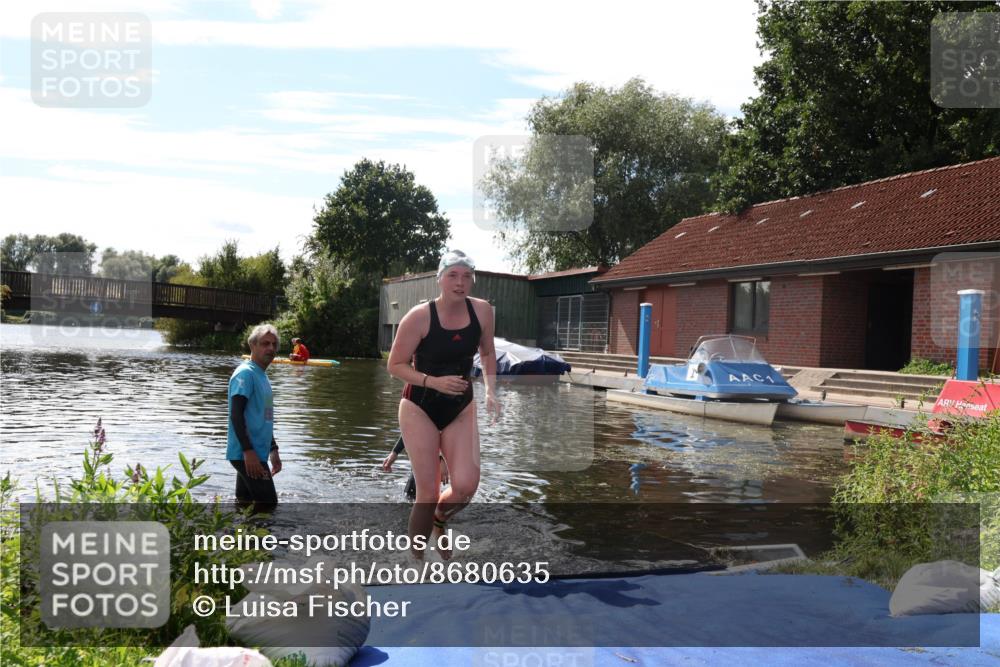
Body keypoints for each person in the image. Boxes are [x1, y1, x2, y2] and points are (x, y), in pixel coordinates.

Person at [387, 250, 501, 560]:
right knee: (427, 492)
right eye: (453, 275)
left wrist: (491, 390)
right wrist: (433, 381)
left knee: (465, 486)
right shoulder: (420, 316)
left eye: (467, 276)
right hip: (419, 405)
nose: (460, 282)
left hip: (460, 406)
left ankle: (440, 518)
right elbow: (395, 365)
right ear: (440, 279)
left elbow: (488, 353)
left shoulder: (483, 312)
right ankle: (416, 562)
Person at [228, 323, 283, 508]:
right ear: (252, 346)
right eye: (265, 343)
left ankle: (239, 536)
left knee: (245, 505)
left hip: (255, 452)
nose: (270, 348)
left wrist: (273, 449)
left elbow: (264, 417)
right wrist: (248, 451)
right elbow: (236, 414)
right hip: (247, 453)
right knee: (268, 505)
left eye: (274, 344)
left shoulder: (262, 375)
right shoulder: (245, 374)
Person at [381, 436, 449, 500]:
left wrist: (443, 460)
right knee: (409, 498)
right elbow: (410, 429)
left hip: (437, 461)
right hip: (421, 462)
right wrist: (395, 452)